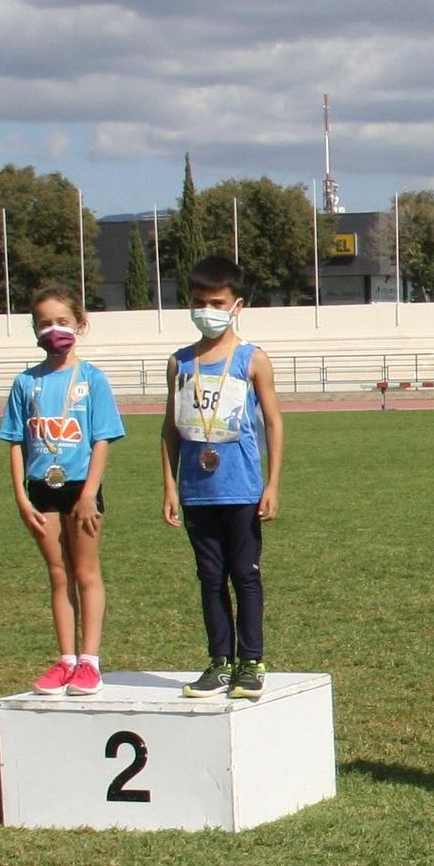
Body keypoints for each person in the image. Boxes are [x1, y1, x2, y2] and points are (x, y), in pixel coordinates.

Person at [161, 257, 284, 698]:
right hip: (197, 490)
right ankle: (219, 661)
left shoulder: (253, 359)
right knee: (209, 578)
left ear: (237, 306)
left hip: (242, 488)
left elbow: (273, 421)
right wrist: (170, 485)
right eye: (198, 302)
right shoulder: (180, 363)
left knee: (245, 574)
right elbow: (170, 428)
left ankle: (251, 661)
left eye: (216, 302)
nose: (206, 310)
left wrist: (272, 483)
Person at [0, 286, 126, 696]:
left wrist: (90, 492)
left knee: (86, 572)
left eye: (62, 322)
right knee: (58, 575)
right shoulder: (26, 382)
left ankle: (89, 661)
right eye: (45, 323)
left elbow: (103, 439)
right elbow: (16, 441)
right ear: (34, 330)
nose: (54, 330)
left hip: (80, 489)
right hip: (41, 489)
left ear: (80, 325)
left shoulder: (91, 379)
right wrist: (21, 496)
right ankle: (65, 660)